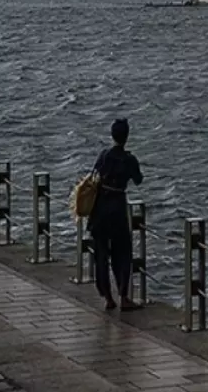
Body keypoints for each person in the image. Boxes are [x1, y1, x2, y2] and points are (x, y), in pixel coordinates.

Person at [88, 117, 143, 310]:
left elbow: (94, 174)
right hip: (118, 208)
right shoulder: (129, 160)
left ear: (112, 135)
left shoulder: (104, 155)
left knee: (101, 253)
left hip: (101, 208)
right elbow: (138, 180)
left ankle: (107, 297)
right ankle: (124, 296)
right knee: (123, 252)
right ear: (127, 137)